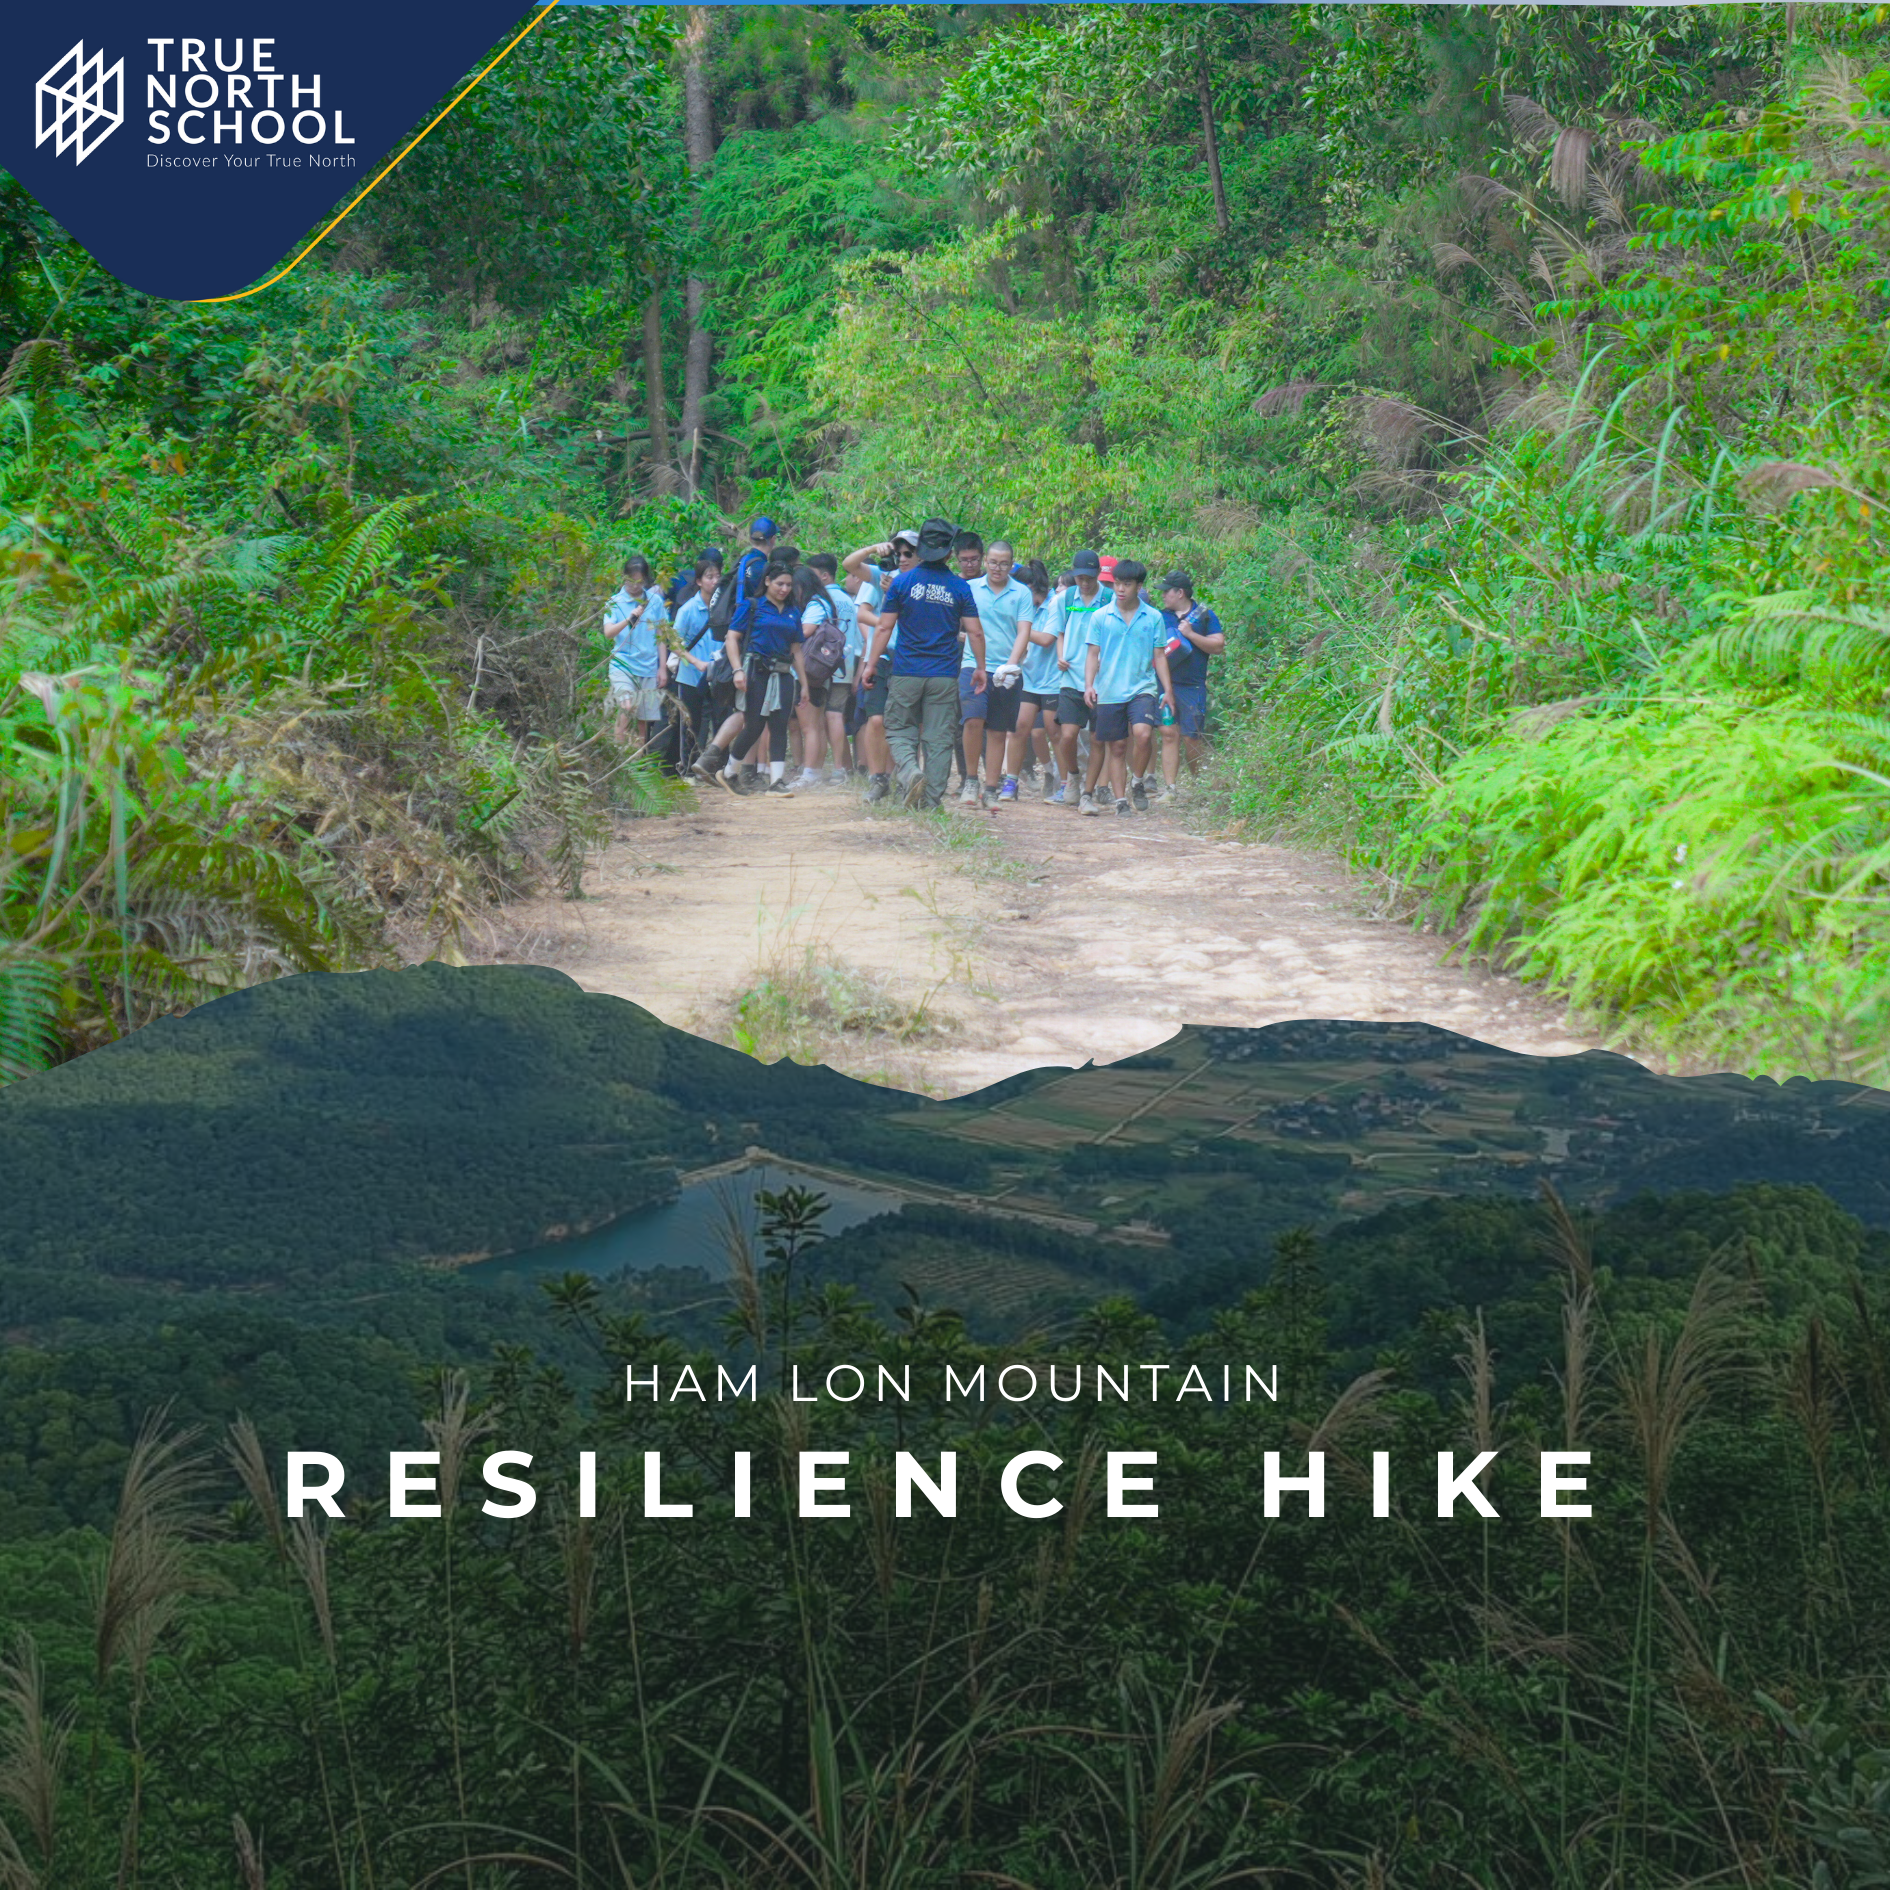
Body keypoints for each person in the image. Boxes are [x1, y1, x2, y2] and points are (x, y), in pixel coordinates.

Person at [862, 517, 984, 810]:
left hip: (906, 672)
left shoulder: (902, 582)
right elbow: (975, 631)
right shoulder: (959, 587)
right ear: (948, 553)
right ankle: (930, 801)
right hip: (944, 674)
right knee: (938, 738)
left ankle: (909, 770)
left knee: (898, 729)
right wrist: (980, 667)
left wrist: (870, 664)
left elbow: (883, 627)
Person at [692, 559, 813, 796]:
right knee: (754, 724)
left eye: (788, 585)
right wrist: (738, 670)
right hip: (756, 671)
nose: (784, 589)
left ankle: (776, 782)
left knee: (779, 726)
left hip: (783, 674)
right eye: (780, 583)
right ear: (767, 581)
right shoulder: (752, 606)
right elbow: (732, 638)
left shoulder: (793, 612)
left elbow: (796, 650)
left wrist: (804, 684)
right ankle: (729, 772)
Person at [1083, 557, 1174, 817]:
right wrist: (1089, 685)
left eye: (1127, 584)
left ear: (1138, 586)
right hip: (1109, 690)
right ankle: (1121, 800)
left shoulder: (1153, 617)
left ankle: (1137, 781)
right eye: (1117, 584)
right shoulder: (1101, 617)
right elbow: (1092, 654)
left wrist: (1167, 690)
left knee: (1144, 734)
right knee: (1118, 746)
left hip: (1142, 687)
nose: (1121, 589)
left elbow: (1159, 656)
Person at [844, 529, 919, 803]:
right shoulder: (883, 577)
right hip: (882, 657)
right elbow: (849, 565)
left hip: (911, 659)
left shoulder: (925, 582)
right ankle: (878, 779)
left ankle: (905, 779)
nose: (902, 558)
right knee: (876, 719)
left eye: (908, 553)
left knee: (907, 724)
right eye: (898, 553)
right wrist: (873, 549)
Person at [966, 541, 1036, 807]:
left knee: (997, 730)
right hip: (973, 664)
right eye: (993, 562)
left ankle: (991, 787)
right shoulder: (970, 589)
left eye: (1004, 563)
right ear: (985, 561)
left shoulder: (1021, 593)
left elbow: (1023, 630)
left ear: (1012, 564)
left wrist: (1012, 664)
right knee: (972, 719)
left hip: (1007, 669)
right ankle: (971, 780)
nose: (998, 568)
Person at [1047, 549, 1113, 811]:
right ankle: (1073, 775)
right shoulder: (1066, 599)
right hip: (1070, 675)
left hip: (1100, 679)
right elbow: (1059, 632)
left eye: (1089, 577)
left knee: (1098, 739)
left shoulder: (1108, 598)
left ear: (1097, 574)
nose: (1084, 583)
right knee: (1068, 734)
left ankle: (1088, 792)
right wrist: (1060, 656)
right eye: (1080, 578)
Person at [1157, 569, 1226, 799]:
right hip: (1164, 684)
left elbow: (1217, 646)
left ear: (1180, 593)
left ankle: (1199, 784)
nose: (1164, 596)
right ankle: (1170, 789)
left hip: (1192, 687)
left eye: (1167, 592)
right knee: (1168, 733)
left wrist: (1191, 635)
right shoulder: (1160, 616)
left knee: (1191, 737)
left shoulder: (1205, 616)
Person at [799, 551, 858, 787]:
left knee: (828, 717)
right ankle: (843, 768)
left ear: (823, 576)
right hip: (846, 665)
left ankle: (836, 769)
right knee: (836, 715)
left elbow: (805, 631)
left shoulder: (820, 600)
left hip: (822, 667)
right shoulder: (848, 600)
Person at [1005, 557, 1062, 800]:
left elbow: (1048, 639)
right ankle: (1011, 782)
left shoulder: (1054, 604)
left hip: (1052, 678)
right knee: (1019, 728)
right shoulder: (1023, 607)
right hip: (1028, 677)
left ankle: (1065, 782)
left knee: (1053, 730)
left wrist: (1021, 629)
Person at [603, 555, 668, 750]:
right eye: (630, 581)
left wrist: (662, 668)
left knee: (644, 720)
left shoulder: (655, 602)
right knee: (626, 706)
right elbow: (608, 633)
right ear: (624, 578)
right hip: (622, 664)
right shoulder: (614, 602)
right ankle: (617, 754)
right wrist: (629, 619)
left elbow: (662, 636)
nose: (634, 586)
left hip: (647, 666)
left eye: (639, 582)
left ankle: (638, 763)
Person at [669, 555, 723, 763]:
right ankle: (688, 768)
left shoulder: (722, 608)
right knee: (691, 725)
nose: (714, 581)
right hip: (691, 675)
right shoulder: (688, 609)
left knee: (720, 721)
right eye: (709, 577)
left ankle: (717, 767)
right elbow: (675, 643)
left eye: (717, 576)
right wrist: (695, 661)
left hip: (717, 674)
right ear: (699, 581)